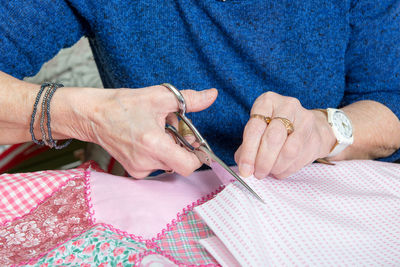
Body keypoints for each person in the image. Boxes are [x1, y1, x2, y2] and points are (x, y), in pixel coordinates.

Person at [0, 0, 399, 180]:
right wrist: (87, 117)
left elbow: (390, 102)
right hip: (180, 222)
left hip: (341, 206)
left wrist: (325, 130)